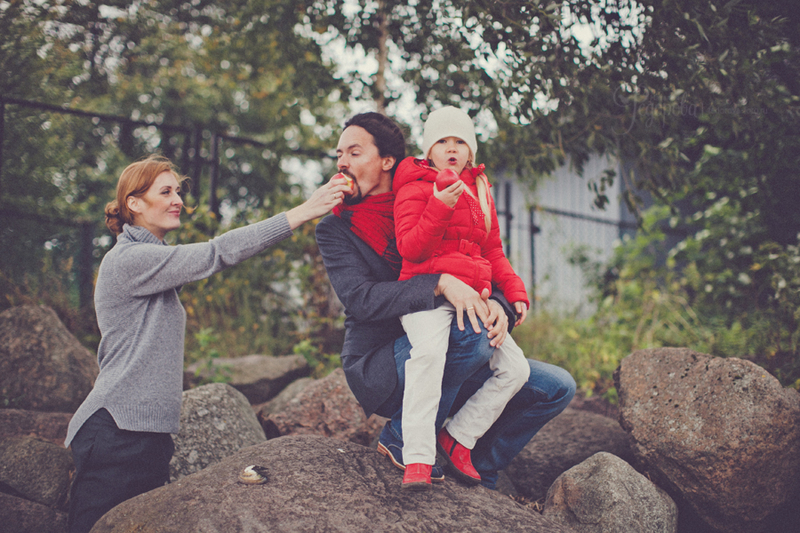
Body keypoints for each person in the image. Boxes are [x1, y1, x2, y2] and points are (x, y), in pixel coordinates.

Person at [64, 154, 350, 533]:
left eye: (178, 191)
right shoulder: (129, 260)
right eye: (165, 192)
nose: (177, 200)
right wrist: (302, 212)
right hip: (116, 431)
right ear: (134, 203)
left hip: (146, 436)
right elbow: (217, 252)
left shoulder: (153, 261)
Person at [315, 111, 575, 492]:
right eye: (339, 155)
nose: (342, 163)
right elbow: (361, 300)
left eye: (354, 153)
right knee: (472, 336)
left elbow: (481, 254)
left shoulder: (444, 191)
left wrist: (501, 304)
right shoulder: (338, 227)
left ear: (387, 161)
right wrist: (439, 284)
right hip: (386, 360)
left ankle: (472, 462)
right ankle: (403, 436)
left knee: (556, 386)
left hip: (457, 341)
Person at [392, 106, 532, 489]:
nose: (451, 148)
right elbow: (411, 248)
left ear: (471, 151)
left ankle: (458, 437)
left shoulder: (480, 191)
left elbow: (493, 251)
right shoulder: (415, 187)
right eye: (442, 141)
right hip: (427, 294)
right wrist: (440, 204)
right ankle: (417, 457)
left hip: (471, 297)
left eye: (460, 142)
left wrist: (514, 291)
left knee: (516, 369)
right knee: (428, 356)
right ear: (428, 150)